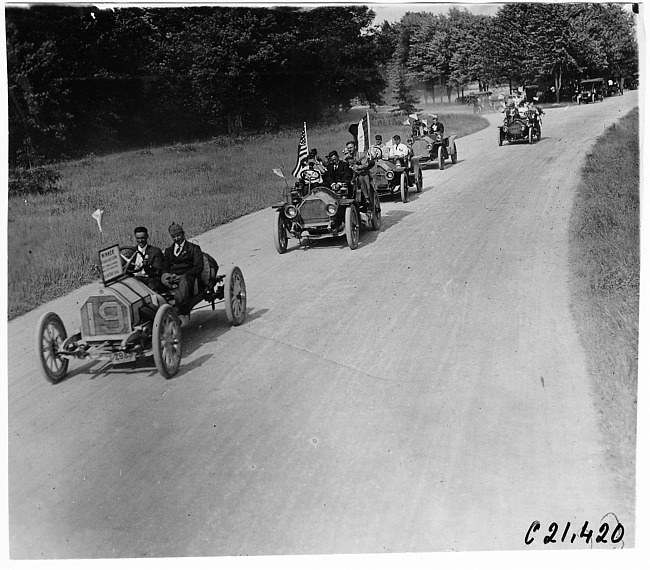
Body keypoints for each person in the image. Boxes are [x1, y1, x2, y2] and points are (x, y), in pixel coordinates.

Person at [161, 222, 204, 326]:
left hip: (188, 277)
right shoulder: (168, 251)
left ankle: (181, 307)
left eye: (178, 235)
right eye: (174, 237)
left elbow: (198, 267)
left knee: (183, 280)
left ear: (183, 234)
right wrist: (166, 275)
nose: (176, 239)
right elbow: (164, 267)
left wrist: (183, 275)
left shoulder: (194, 248)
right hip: (173, 277)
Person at [129, 226, 164, 292]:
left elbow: (157, 271)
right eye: (138, 238)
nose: (140, 241)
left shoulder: (155, 251)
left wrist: (147, 266)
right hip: (135, 278)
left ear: (147, 237)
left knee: (153, 286)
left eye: (143, 238)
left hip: (150, 278)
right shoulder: (131, 252)